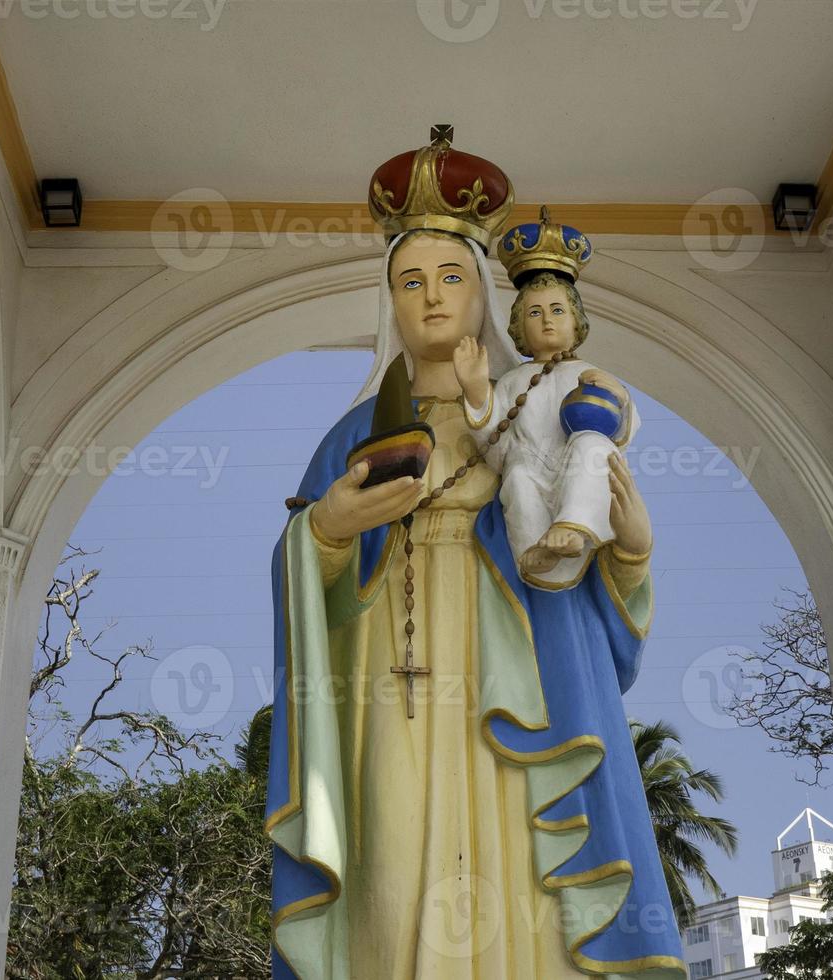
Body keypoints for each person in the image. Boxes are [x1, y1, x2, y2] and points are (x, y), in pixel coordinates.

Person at [263, 131, 686, 979]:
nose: (429, 300)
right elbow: (298, 582)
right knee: (389, 866)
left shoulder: (534, 411)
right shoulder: (353, 434)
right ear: (387, 299)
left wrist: (630, 556)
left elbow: (593, 581)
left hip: (521, 688)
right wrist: (329, 529)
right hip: (387, 685)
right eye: (408, 282)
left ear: (483, 295)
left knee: (519, 874)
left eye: (450, 278)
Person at [455, 207, 639, 589]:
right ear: (519, 327)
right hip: (533, 470)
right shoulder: (513, 380)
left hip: (578, 471)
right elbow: (495, 447)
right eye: (534, 313)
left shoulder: (589, 373)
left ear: (576, 320)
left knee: (592, 444)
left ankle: (574, 526)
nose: (547, 320)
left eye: (557, 310)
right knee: (518, 478)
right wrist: (476, 390)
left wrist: (617, 394)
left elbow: (623, 432)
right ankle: (535, 551)